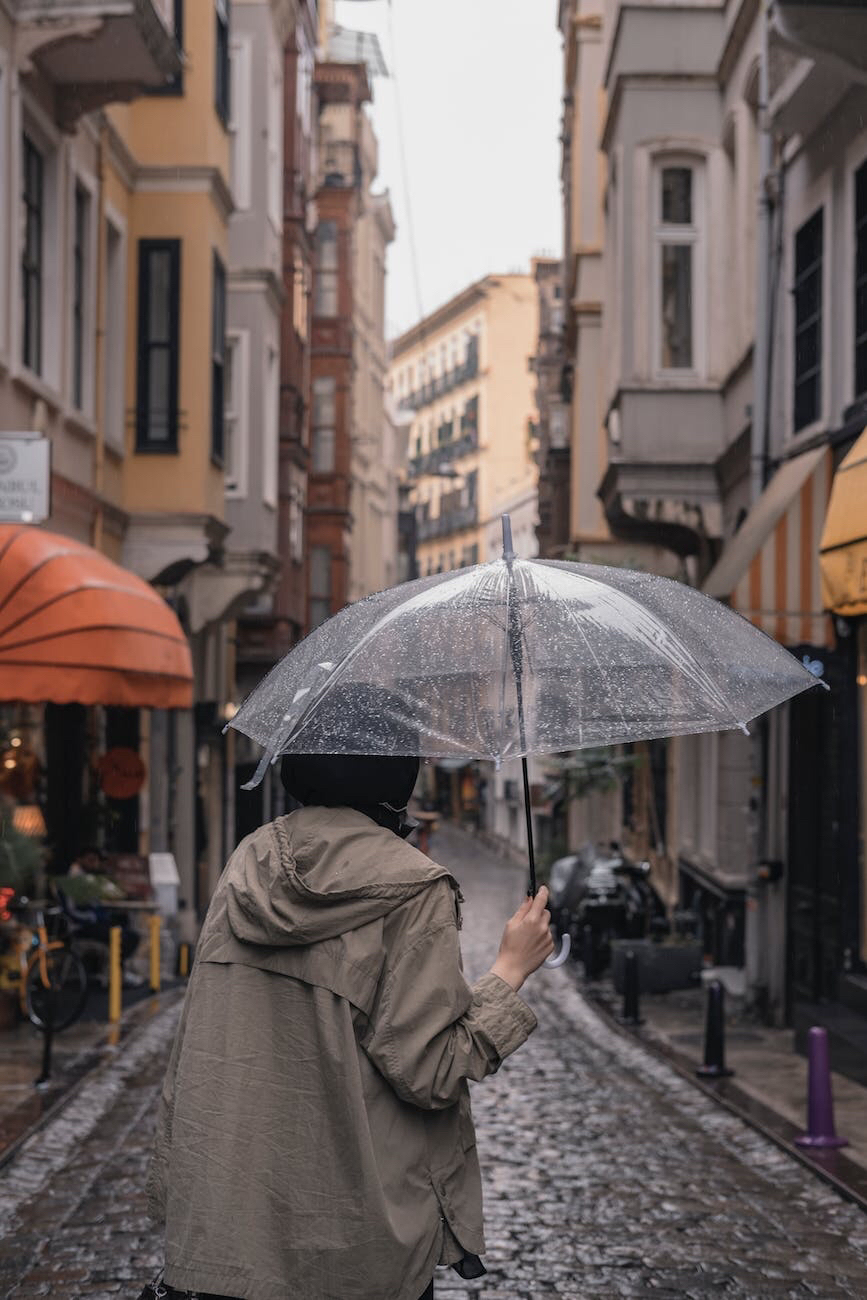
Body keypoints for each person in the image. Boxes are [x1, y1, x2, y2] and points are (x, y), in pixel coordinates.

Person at [144, 750, 553, 1300]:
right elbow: (429, 1069)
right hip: (354, 1248)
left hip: (225, 1234)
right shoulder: (416, 888)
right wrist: (509, 970)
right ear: (397, 777)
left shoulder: (248, 863)